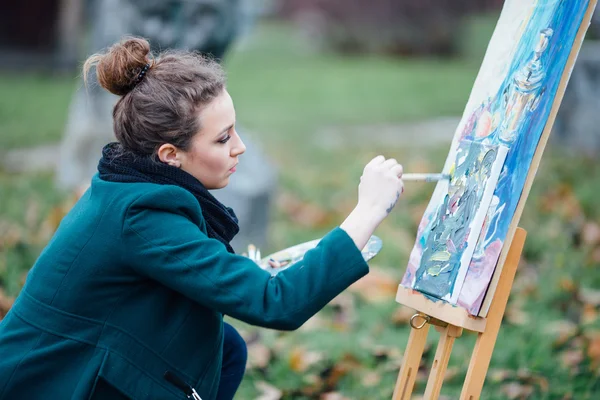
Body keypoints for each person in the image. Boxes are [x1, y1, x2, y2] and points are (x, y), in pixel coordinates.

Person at [0, 37, 404, 400]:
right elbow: (276, 303)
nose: (240, 148)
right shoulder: (142, 215)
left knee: (223, 347)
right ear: (170, 155)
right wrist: (368, 210)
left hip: (83, 362)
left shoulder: (130, 186)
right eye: (223, 138)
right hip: (46, 383)